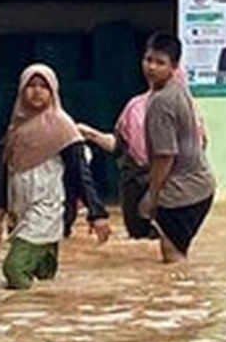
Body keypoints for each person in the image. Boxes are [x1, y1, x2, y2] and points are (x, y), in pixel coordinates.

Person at [0, 64, 110, 290]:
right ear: (21, 90)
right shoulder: (16, 128)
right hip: (21, 210)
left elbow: (80, 173)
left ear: (53, 91)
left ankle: (19, 320)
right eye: (31, 86)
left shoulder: (63, 127)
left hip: (48, 210)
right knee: (44, 278)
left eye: (44, 86)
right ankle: (47, 315)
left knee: (14, 269)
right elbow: (6, 174)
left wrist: (97, 213)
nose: (37, 91)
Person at [78, 66, 207, 241]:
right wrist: (90, 134)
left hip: (157, 188)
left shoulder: (145, 108)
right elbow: (199, 149)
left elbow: (121, 146)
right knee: (166, 246)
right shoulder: (189, 112)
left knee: (156, 244)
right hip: (167, 189)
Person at [143, 33, 217, 263]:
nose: (151, 67)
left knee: (172, 258)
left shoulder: (161, 102)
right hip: (202, 186)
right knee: (177, 259)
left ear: (174, 67)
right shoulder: (179, 88)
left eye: (160, 62)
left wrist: (152, 197)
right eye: (148, 59)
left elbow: (165, 156)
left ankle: (182, 298)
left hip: (182, 192)